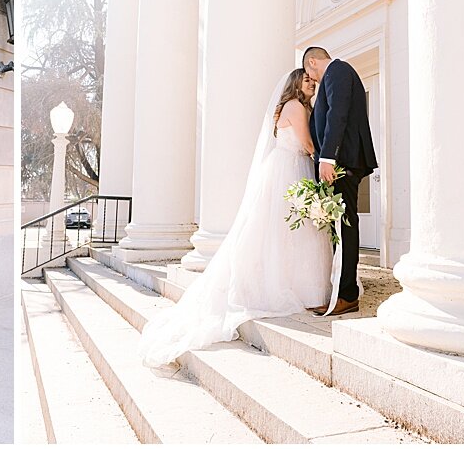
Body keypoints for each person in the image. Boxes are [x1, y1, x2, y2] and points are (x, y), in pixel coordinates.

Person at [137, 69, 332, 367]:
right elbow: (307, 146)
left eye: (311, 79)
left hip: (284, 168)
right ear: (295, 83)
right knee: (294, 230)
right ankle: (299, 288)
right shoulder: (295, 106)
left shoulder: (294, 106)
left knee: (288, 231)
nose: (311, 82)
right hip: (291, 168)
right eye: (305, 79)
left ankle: (299, 284)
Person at [302, 46, 378, 316]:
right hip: (340, 162)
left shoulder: (338, 70)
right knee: (339, 228)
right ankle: (342, 292)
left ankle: (346, 295)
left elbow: (338, 113)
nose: (312, 80)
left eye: (310, 74)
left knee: (344, 228)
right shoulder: (336, 73)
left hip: (342, 162)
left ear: (313, 61)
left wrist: (328, 158)